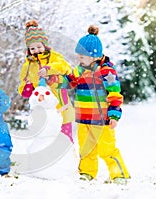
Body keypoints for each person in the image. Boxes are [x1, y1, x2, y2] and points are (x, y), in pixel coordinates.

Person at [66, 25, 130, 184]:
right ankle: (87, 172)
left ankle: (119, 175)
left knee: (107, 149)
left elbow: (115, 94)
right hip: (84, 119)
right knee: (86, 149)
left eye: (81, 57)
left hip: (102, 120)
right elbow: (69, 82)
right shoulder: (80, 70)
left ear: (93, 56)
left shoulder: (107, 72)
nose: (78, 59)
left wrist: (114, 115)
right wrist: (54, 79)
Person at [18, 19, 75, 143]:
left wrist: (49, 69)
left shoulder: (54, 57)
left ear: (45, 45)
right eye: (32, 48)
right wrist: (28, 87)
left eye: (39, 46)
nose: (36, 50)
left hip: (61, 106)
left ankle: (69, 160)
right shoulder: (27, 66)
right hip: (42, 112)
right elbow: (23, 90)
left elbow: (65, 67)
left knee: (65, 141)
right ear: (28, 50)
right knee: (46, 142)